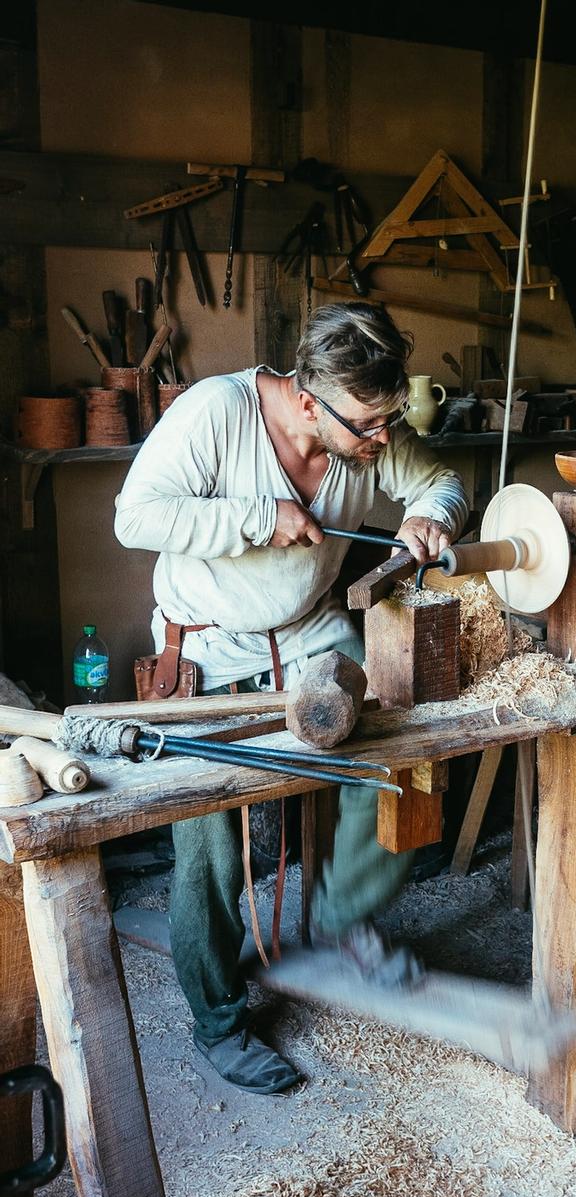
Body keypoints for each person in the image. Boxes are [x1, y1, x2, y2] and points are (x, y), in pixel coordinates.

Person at [115, 303, 468, 1095]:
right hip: (209, 642)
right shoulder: (218, 413)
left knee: (403, 753)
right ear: (310, 401)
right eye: (369, 427)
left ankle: (342, 923)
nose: (382, 441)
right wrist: (254, 517)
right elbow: (132, 516)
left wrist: (429, 514)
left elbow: (440, 479)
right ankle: (219, 1019)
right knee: (205, 841)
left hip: (311, 634)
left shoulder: (365, 423)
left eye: (388, 423)